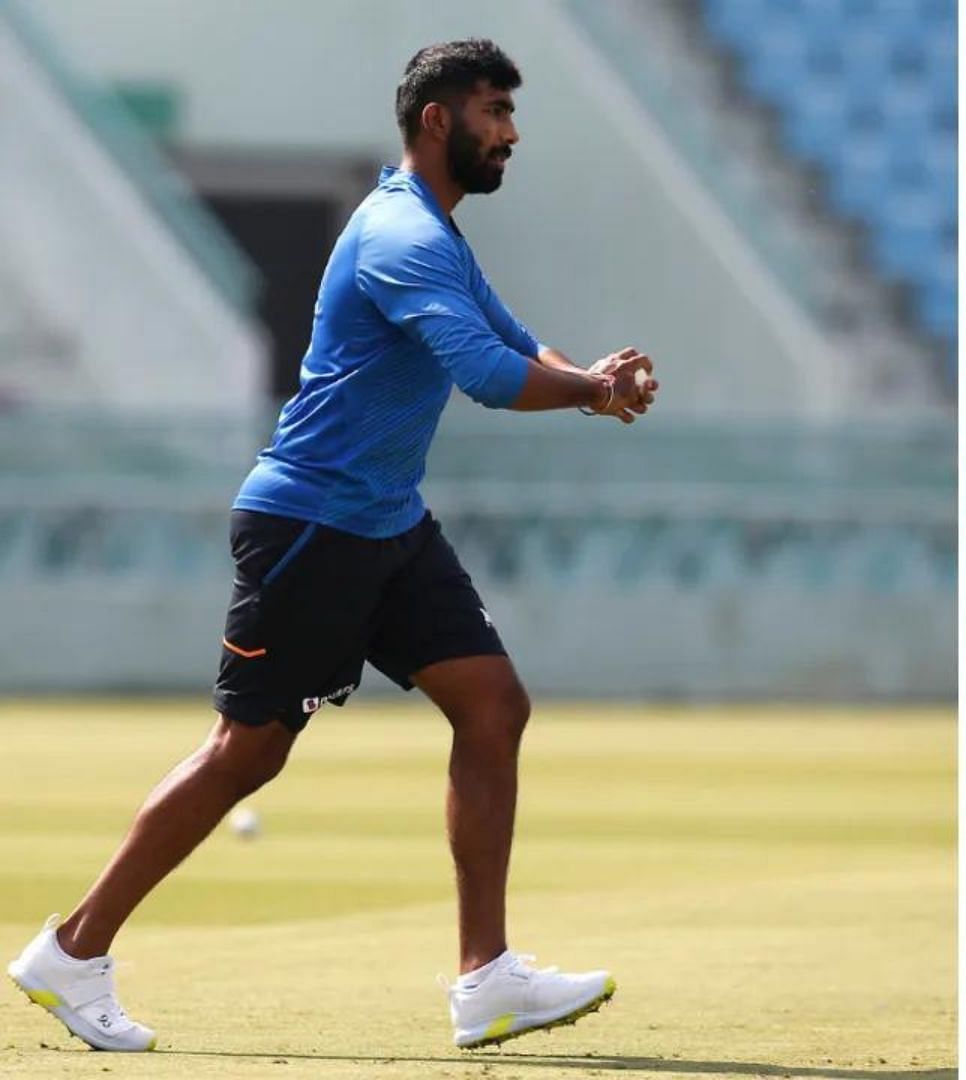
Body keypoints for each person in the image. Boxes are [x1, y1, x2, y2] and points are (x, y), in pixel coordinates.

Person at [7, 39, 653, 1052]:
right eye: (494, 111)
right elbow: (486, 376)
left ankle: (485, 979)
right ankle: (73, 952)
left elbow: (523, 348)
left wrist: (591, 378)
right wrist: (591, 393)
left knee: (493, 706)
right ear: (437, 120)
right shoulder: (400, 235)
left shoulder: (436, 234)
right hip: (311, 526)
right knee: (247, 754)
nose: (512, 133)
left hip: (385, 523)